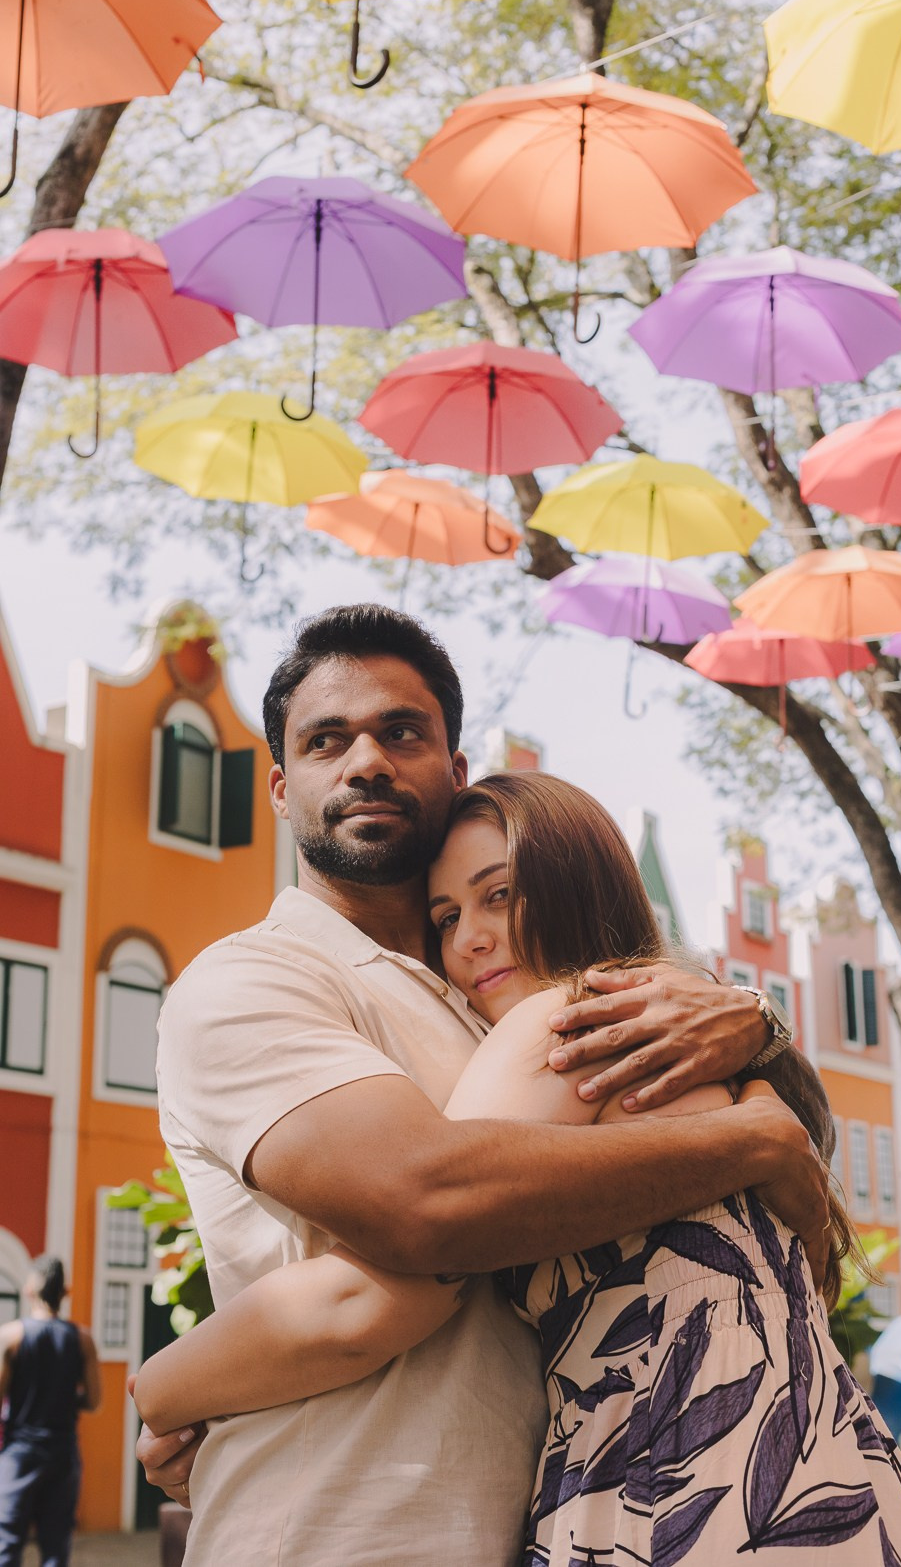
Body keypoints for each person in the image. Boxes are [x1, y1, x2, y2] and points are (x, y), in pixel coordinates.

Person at [137, 604, 831, 1566]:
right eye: (328, 740)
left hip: (557, 1518)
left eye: (402, 731)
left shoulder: (503, 996)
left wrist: (755, 1023)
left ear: (455, 770)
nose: (367, 760)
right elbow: (428, 1206)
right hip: (335, 1530)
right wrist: (757, 1138)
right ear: (282, 787)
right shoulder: (253, 979)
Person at [0, 1257, 101, 1567]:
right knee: (55, 1550)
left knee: (7, 1545)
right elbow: (94, 1402)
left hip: (20, 1455)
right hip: (62, 1454)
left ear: (30, 1289)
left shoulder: (11, 1336)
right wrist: (66, 1400)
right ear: (64, 1292)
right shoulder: (82, 1339)